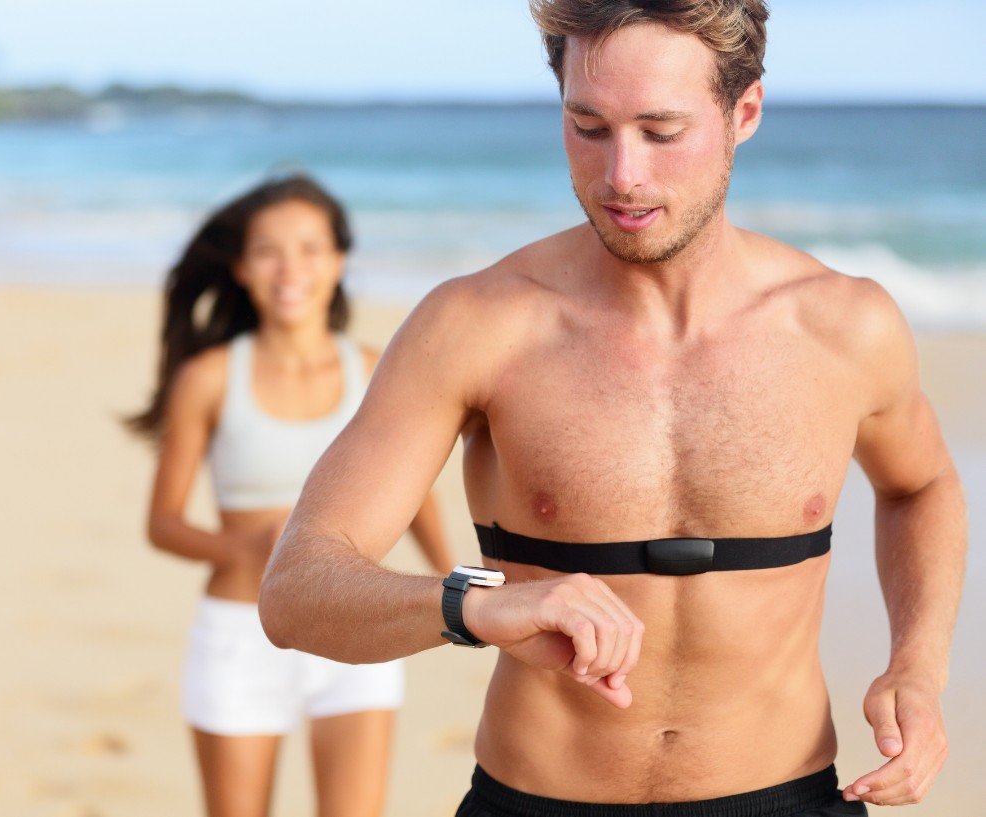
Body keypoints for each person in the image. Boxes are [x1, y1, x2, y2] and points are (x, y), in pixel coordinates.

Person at [257, 3, 967, 816]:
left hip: (785, 796)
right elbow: (296, 590)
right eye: (587, 126)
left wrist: (918, 664)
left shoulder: (846, 326)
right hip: (534, 801)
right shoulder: (476, 325)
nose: (621, 174)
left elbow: (921, 486)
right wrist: (478, 606)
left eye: (660, 132)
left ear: (745, 112)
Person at [129, 173, 454, 817]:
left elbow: (416, 497)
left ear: (339, 261)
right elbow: (162, 524)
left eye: (309, 248)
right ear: (243, 269)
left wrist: (460, 587)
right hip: (238, 635)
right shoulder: (209, 378)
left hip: (357, 622)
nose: (290, 268)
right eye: (268, 250)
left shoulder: (375, 370)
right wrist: (246, 546)